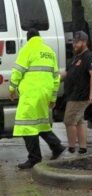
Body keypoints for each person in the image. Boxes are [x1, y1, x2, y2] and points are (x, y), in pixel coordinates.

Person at [9, 28, 65, 169]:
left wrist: (12, 88)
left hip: (31, 92)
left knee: (26, 125)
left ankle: (34, 158)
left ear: (28, 38)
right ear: (39, 37)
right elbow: (56, 77)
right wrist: (53, 97)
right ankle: (56, 146)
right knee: (40, 123)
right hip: (45, 92)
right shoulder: (49, 51)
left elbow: (17, 70)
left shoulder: (27, 49)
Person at [62, 31, 92, 155]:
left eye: (77, 42)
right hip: (73, 94)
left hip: (80, 96)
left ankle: (71, 148)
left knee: (69, 120)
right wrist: (53, 75)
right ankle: (82, 148)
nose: (74, 45)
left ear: (84, 42)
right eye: (73, 42)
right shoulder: (76, 57)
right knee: (79, 121)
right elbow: (68, 73)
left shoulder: (89, 56)